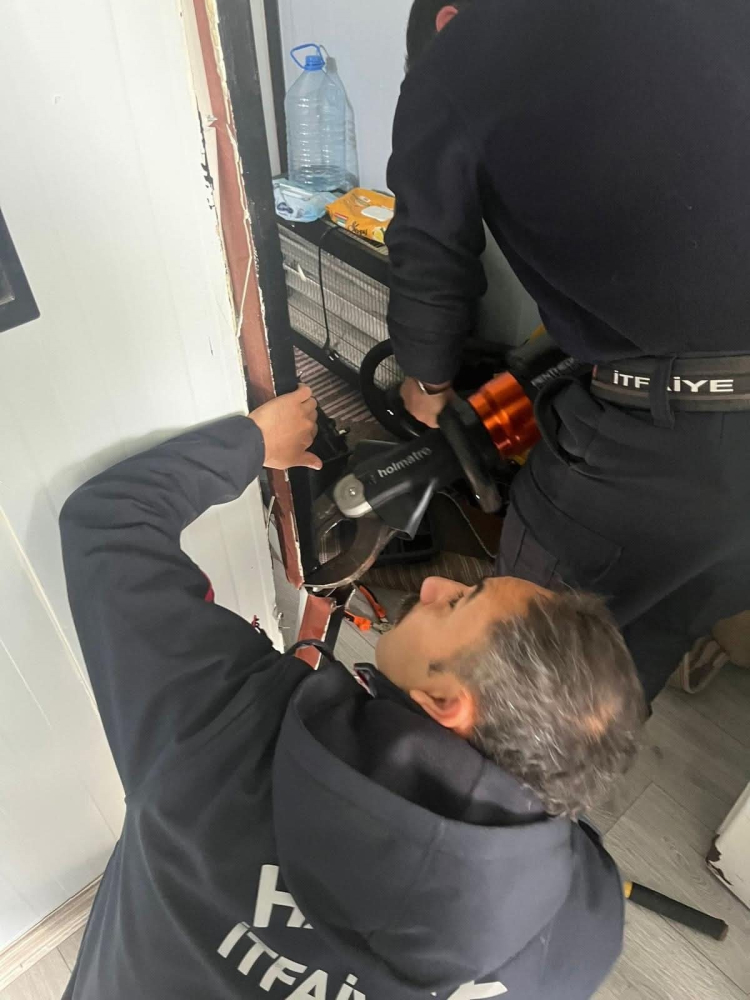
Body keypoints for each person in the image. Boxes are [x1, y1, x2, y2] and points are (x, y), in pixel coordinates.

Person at [59, 386, 644, 1000]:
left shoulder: (228, 722)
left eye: (460, 603)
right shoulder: (582, 931)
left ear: (445, 705)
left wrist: (254, 442)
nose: (435, 586)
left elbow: (110, 522)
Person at [386, 0, 750, 702]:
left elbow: (427, 258)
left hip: (657, 436)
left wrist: (427, 385)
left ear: (447, 20)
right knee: (673, 615)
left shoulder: (460, 52)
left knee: (526, 682)